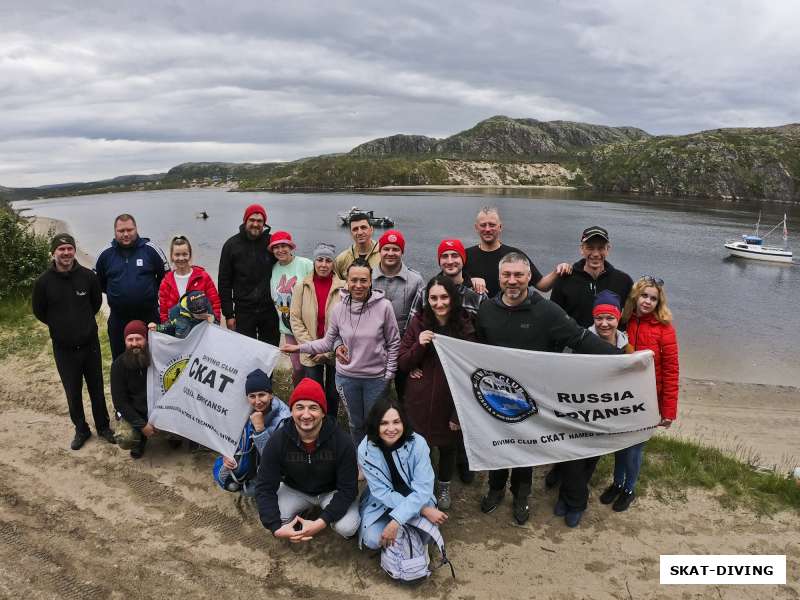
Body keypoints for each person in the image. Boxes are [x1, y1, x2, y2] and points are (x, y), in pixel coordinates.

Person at [476, 253, 621, 526]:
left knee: (523, 450)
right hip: (494, 395)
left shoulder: (546, 311)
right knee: (496, 448)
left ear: (529, 276)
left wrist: (621, 358)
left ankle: (521, 496)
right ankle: (495, 489)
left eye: (519, 275)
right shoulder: (487, 310)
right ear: (499, 277)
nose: (512, 281)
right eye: (507, 275)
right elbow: (473, 352)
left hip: (531, 397)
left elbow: (580, 338)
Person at [282, 259, 400, 447]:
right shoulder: (339, 308)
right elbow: (328, 342)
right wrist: (300, 347)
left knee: (375, 422)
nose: (358, 285)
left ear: (371, 282)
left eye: (363, 280)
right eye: (354, 280)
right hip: (347, 378)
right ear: (347, 281)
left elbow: (394, 343)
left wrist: (389, 375)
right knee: (355, 423)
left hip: (376, 378)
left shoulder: (384, 307)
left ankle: (376, 458)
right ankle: (360, 459)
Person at [598, 276, 679, 512]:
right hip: (625, 397)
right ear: (636, 297)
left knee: (634, 449)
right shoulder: (626, 322)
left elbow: (672, 371)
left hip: (649, 400)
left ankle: (629, 489)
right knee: (621, 445)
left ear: (659, 302)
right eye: (644, 296)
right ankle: (617, 483)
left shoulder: (665, 329)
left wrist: (668, 411)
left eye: (653, 298)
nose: (647, 301)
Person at [398, 275, 476, 510]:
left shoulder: (465, 326)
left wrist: (457, 414)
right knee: (419, 447)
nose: (439, 303)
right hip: (419, 401)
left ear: (453, 298)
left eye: (444, 297)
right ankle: (422, 483)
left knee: (448, 448)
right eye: (433, 298)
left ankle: (443, 485)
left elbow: (471, 374)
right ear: (427, 299)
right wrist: (419, 345)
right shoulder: (418, 322)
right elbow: (402, 363)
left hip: (449, 401)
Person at [32, 233, 114, 450]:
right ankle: (81, 429)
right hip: (64, 349)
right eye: (61, 249)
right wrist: (60, 326)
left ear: (74, 251)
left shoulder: (88, 277)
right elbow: (39, 311)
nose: (66, 253)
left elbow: (96, 303)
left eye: (69, 248)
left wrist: (82, 325)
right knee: (73, 391)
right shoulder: (43, 282)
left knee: (96, 388)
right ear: (54, 252)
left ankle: (104, 427)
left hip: (90, 345)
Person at [255, 378, 360, 542]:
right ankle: (300, 513)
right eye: (299, 407)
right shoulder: (278, 440)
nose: (306, 414)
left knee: (348, 527)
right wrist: (275, 528)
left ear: (323, 412)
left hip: (330, 492)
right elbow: (264, 486)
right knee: (277, 520)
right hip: (295, 489)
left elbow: (349, 489)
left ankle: (325, 516)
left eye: (313, 407)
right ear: (291, 411)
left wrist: (321, 522)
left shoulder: (342, 441)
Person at [357, 397, 448, 550]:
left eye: (396, 422)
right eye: (384, 423)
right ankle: (400, 545)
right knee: (373, 540)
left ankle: (407, 543)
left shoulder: (418, 443)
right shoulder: (365, 449)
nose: (391, 429)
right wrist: (424, 511)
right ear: (375, 424)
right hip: (383, 503)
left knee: (425, 538)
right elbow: (381, 492)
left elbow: (423, 489)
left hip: (418, 499)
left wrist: (396, 521)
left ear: (403, 423)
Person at [95, 214, 169, 359]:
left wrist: (149, 294)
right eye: (121, 231)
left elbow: (166, 280)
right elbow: (98, 283)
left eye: (130, 230)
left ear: (136, 229)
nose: (126, 234)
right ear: (115, 232)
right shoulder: (105, 254)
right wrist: (117, 294)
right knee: (121, 359)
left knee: (154, 358)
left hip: (150, 316)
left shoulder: (151, 250)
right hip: (119, 318)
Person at [213, 369, 290, 496]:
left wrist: (260, 430)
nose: (257, 401)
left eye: (262, 395)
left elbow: (273, 460)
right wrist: (227, 456)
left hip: (274, 469)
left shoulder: (284, 420)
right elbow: (231, 439)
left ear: (270, 394)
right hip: (253, 462)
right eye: (252, 396)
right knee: (229, 479)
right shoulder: (244, 411)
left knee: (260, 491)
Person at [289, 242, 345, 418]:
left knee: (333, 392)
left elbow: (346, 322)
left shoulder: (344, 288)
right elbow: (295, 319)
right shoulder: (301, 287)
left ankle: (331, 424)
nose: (323, 264)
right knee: (314, 392)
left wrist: (328, 351)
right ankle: (316, 424)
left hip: (335, 350)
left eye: (328, 260)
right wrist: (312, 347)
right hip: (310, 350)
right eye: (320, 259)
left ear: (333, 263)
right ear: (314, 261)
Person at [465, 206, 569, 297]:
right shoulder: (465, 256)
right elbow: (452, 284)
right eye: (483, 225)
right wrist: (470, 281)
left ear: (500, 227)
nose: (487, 229)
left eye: (492, 225)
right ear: (476, 228)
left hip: (509, 313)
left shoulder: (514, 255)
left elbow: (542, 286)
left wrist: (558, 271)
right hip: (475, 316)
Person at [371, 230, 424, 400]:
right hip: (373, 346)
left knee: (405, 394)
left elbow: (420, 317)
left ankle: (404, 423)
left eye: (396, 249)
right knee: (376, 395)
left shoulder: (415, 280)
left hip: (403, 346)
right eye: (386, 249)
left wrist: (413, 357)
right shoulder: (368, 276)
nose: (391, 253)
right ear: (380, 250)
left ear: (402, 252)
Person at [218, 204, 279, 345]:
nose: (256, 224)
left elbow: (287, 264)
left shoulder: (272, 243)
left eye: (260, 221)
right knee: (246, 353)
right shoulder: (231, 245)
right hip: (243, 311)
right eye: (252, 220)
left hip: (270, 310)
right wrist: (228, 314)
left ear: (264, 223)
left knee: (270, 351)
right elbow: (224, 282)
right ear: (245, 220)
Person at [550, 226, 633, 328]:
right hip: (573, 342)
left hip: (609, 343)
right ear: (582, 249)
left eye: (601, 248)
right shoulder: (565, 279)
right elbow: (553, 318)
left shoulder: (623, 281)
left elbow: (633, 316)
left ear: (608, 249)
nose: (595, 254)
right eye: (590, 248)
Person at [268, 231, 313, 385]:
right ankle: (299, 393)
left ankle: (314, 395)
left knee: (311, 364)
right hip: (287, 326)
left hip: (307, 324)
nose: (280, 250)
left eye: (284, 246)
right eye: (276, 247)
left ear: (290, 247)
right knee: (297, 366)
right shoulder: (274, 268)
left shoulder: (305, 264)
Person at [407, 238, 485, 323]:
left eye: (455, 256)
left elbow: (485, 331)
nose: (450, 261)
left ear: (463, 259)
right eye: (445, 256)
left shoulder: (478, 295)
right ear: (439, 261)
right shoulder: (424, 293)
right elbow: (411, 330)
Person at [110, 320, 157, 459]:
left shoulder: (157, 359)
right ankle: (139, 440)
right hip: (135, 411)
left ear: (146, 340)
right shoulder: (118, 366)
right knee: (125, 438)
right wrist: (142, 426)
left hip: (157, 410)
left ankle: (171, 436)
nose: (134, 343)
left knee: (176, 428)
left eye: (139, 339)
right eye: (130, 339)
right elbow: (120, 402)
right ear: (125, 341)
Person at [158, 234, 221, 324]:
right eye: (177, 254)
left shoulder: (203, 277)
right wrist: (168, 328)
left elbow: (215, 303)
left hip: (202, 329)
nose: (181, 258)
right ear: (172, 256)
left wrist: (215, 321)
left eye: (184, 254)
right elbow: (164, 312)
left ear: (190, 255)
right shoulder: (166, 282)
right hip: (178, 331)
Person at [148, 290, 216, 338]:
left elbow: (217, 334)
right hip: (184, 351)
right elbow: (169, 328)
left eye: (206, 313)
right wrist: (157, 327)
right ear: (189, 311)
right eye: (200, 315)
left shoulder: (207, 306)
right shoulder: (177, 315)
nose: (204, 316)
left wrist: (213, 323)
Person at [334, 213, 381, 279]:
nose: (360, 232)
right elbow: (334, 283)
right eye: (355, 229)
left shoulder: (383, 256)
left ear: (371, 229)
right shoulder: (341, 260)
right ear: (351, 233)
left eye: (363, 227)